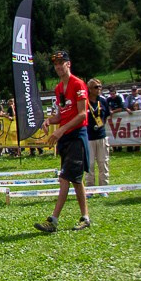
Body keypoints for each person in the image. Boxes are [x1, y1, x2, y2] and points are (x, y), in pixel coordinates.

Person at [33, 50, 91, 233]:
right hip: (66, 137)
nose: (58, 66)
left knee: (64, 178)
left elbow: (82, 114)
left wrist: (60, 131)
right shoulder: (59, 88)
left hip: (77, 136)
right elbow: (63, 114)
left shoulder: (78, 84)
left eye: (61, 63)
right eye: (56, 64)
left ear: (69, 64)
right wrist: (50, 121)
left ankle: (53, 219)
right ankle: (85, 217)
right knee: (76, 180)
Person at [86, 77, 110, 186]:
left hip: (101, 136)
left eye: (100, 87)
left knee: (103, 163)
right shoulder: (85, 102)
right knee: (90, 164)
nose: (99, 89)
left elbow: (106, 116)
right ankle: (90, 188)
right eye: (96, 87)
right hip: (89, 137)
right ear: (90, 89)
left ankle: (104, 188)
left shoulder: (103, 100)